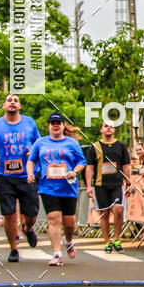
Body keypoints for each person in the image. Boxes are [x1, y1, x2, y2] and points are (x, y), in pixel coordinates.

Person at [0, 92, 40, 263]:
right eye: (9, 101)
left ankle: (28, 228)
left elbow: (40, 144)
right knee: (8, 213)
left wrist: (33, 152)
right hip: (5, 176)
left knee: (32, 213)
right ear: (4, 106)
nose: (12, 103)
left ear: (20, 106)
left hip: (27, 175)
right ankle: (13, 248)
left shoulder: (29, 122)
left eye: (16, 100)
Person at [27, 112, 85, 266]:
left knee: (69, 222)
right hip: (48, 187)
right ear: (48, 126)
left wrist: (75, 171)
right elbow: (31, 160)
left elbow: (82, 161)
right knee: (53, 219)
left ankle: (69, 240)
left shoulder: (71, 143)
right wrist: (30, 173)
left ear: (63, 125)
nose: (56, 125)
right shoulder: (40, 143)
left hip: (68, 187)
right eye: (53, 123)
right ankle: (57, 254)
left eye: (58, 122)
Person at [85, 121, 131, 253]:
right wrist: (89, 186)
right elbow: (90, 168)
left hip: (117, 184)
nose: (109, 128)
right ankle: (107, 242)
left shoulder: (121, 146)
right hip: (100, 185)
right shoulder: (95, 147)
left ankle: (117, 238)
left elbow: (126, 166)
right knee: (104, 214)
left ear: (114, 130)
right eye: (106, 126)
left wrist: (128, 183)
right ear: (101, 130)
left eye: (111, 126)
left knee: (118, 210)